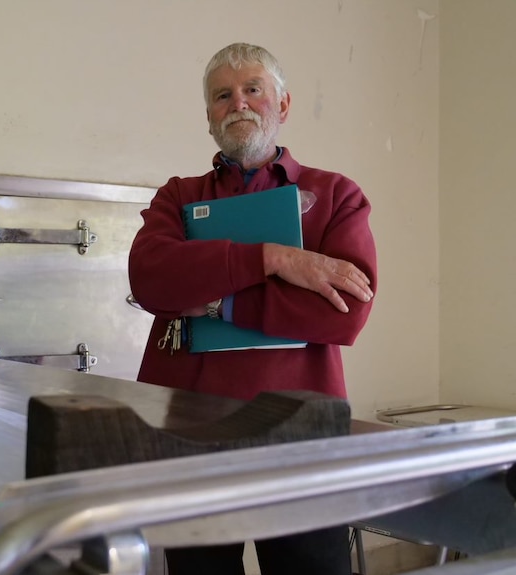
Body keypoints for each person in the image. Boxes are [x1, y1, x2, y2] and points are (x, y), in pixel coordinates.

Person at [128, 42, 377, 575]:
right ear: (209, 116)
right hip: (193, 435)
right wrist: (278, 260)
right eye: (222, 95)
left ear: (282, 105)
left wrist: (217, 301)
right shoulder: (178, 196)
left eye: (252, 90)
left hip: (302, 438)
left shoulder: (336, 196)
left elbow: (344, 313)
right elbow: (151, 279)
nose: (237, 103)